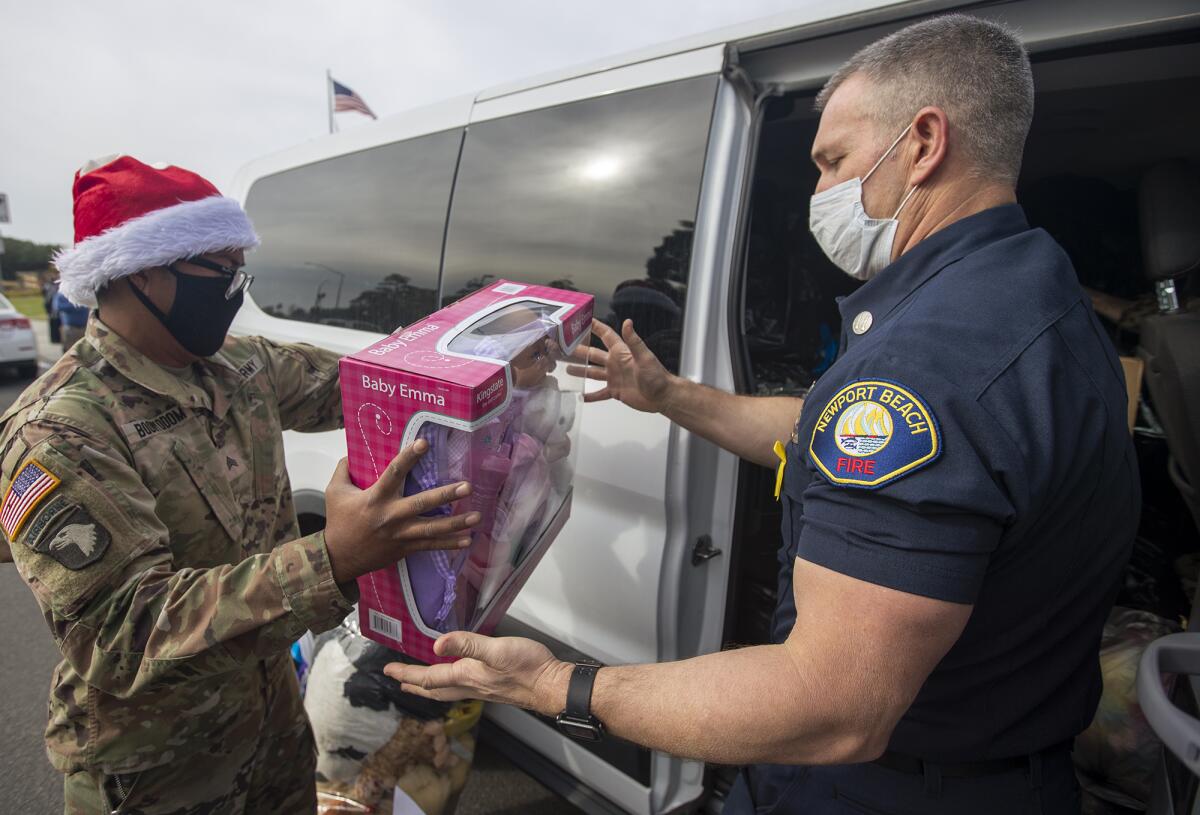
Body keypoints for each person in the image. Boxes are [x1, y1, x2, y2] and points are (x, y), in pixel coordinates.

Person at [382, 15, 1139, 814]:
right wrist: (669, 395)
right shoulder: (1041, 300)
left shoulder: (923, 364)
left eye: (834, 161)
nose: (819, 193)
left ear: (923, 143)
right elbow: (835, 431)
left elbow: (830, 702)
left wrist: (552, 682)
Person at [0, 155, 479, 814]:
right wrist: (335, 556)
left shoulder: (236, 365)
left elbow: (365, 379)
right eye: (221, 271)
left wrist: (481, 358)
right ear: (144, 270)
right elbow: (124, 635)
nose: (233, 289)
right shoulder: (61, 431)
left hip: (271, 728)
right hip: (157, 770)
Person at [52, 287, 90, 352]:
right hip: (70, 328)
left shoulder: (83, 293)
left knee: (85, 351)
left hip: (85, 327)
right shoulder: (61, 294)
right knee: (70, 351)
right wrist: (75, 306)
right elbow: (58, 306)